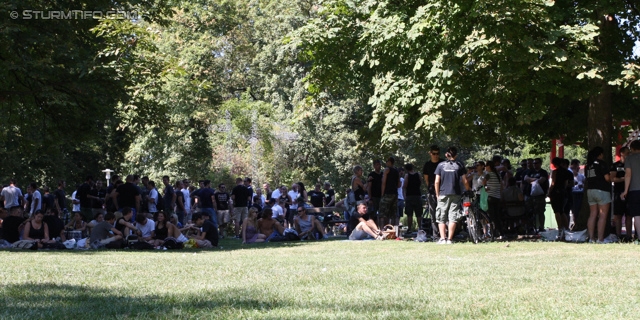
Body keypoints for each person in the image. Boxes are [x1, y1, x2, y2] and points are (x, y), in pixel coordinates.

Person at [434, 146, 470, 244]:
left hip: (443, 193)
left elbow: (437, 181)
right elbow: (465, 181)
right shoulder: (460, 165)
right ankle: (449, 239)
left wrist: (437, 195)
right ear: (456, 155)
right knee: (453, 216)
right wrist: (468, 190)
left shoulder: (440, 165)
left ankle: (442, 238)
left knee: (441, 216)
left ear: (446, 155)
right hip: (456, 193)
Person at [585, 147, 611, 243]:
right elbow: (607, 178)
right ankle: (600, 239)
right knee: (602, 215)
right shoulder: (602, 163)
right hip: (602, 191)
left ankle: (591, 238)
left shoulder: (588, 165)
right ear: (600, 154)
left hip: (590, 191)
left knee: (592, 215)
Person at [423, 145, 444, 239]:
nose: (436, 155)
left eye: (437, 154)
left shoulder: (443, 163)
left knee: (444, 213)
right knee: (433, 214)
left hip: (443, 191)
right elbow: (426, 179)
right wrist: (431, 189)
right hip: (432, 192)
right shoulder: (427, 165)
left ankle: (444, 234)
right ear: (430, 153)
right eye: (434, 154)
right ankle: (435, 235)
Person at [547, 157, 571, 240]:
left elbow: (553, 183)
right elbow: (566, 183)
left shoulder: (555, 172)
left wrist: (549, 192)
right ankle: (566, 228)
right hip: (563, 193)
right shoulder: (566, 172)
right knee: (562, 211)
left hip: (555, 193)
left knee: (557, 212)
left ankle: (560, 229)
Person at [621, 140, 640, 241]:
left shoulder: (629, 159)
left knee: (637, 214)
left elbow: (628, 174)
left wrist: (625, 190)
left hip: (634, 190)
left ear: (632, 149)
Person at [611, 147, 632, 240]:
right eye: (627, 152)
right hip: (618, 192)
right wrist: (623, 179)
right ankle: (618, 235)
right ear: (622, 153)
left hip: (630, 192)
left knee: (629, 215)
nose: (629, 154)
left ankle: (628, 236)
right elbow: (612, 178)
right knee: (618, 215)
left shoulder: (631, 164)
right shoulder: (615, 165)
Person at [524, 158, 549, 232]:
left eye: (536, 163)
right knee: (530, 212)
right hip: (530, 195)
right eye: (534, 163)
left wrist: (531, 180)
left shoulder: (543, 172)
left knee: (541, 212)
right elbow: (526, 178)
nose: (535, 165)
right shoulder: (530, 171)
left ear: (540, 163)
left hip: (540, 196)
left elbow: (541, 180)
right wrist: (536, 179)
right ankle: (531, 227)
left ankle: (541, 226)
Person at [379, 157, 401, 226]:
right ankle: (393, 230)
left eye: (386, 161)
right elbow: (399, 184)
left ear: (390, 162)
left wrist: (382, 194)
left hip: (387, 194)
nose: (386, 162)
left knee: (383, 213)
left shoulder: (387, 170)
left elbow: (383, 182)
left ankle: (383, 230)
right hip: (395, 194)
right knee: (393, 214)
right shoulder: (396, 171)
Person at [403, 163, 423, 233]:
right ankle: (420, 228)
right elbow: (420, 183)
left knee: (409, 214)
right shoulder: (418, 174)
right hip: (417, 195)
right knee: (419, 214)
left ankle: (409, 228)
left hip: (409, 196)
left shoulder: (407, 175)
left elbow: (405, 186)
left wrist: (405, 196)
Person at [569, 159, 585, 229]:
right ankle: (574, 223)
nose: (577, 169)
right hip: (573, 193)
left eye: (578, 167)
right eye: (574, 167)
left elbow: (585, 183)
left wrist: (583, 185)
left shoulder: (581, 176)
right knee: (574, 210)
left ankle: (577, 223)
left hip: (580, 193)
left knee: (578, 210)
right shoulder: (569, 174)